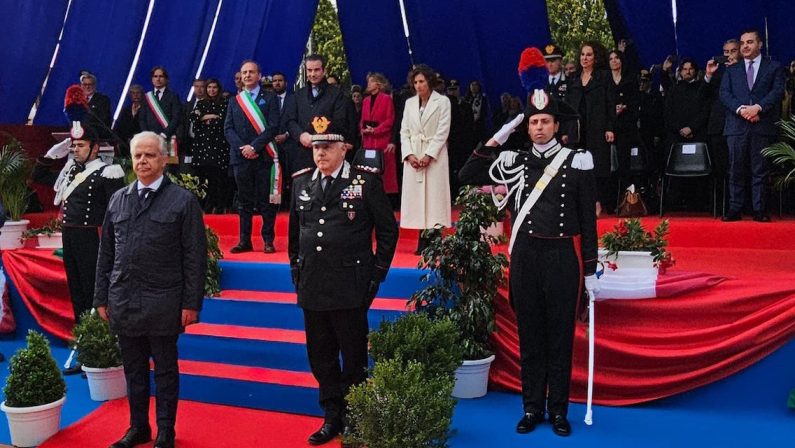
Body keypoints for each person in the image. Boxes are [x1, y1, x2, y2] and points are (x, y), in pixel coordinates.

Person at [458, 84, 598, 438]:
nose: (538, 127)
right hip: (526, 258)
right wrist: (499, 136)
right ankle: (532, 407)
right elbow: (467, 174)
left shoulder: (576, 161)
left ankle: (559, 410)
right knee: (531, 336)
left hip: (562, 257)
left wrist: (592, 269)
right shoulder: (515, 161)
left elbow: (587, 220)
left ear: (556, 125)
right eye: (533, 121)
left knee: (560, 338)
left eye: (545, 121)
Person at [288, 116, 398, 446]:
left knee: (352, 357)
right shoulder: (301, 184)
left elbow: (388, 232)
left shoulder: (364, 183)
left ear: (344, 149)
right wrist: (297, 271)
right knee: (320, 356)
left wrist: (376, 275)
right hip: (313, 285)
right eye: (316, 147)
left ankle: (354, 415)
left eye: (327, 147)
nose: (320, 153)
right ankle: (331, 415)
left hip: (351, 285)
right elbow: (295, 234)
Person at [95, 131, 207, 448]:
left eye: (150, 155)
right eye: (138, 156)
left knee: (166, 371)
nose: (143, 161)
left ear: (163, 159)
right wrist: (101, 297)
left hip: (164, 300)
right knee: (133, 370)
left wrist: (191, 303)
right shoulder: (119, 199)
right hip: (124, 298)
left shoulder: (183, 202)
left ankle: (166, 430)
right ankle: (138, 427)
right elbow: (106, 252)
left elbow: (194, 257)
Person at [47, 122, 125, 376]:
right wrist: (50, 156)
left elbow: (117, 212)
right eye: (74, 146)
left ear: (95, 147)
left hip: (92, 237)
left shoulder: (108, 172)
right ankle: (87, 347)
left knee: (95, 294)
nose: (76, 150)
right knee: (78, 293)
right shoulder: (70, 170)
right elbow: (40, 177)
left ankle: (104, 348)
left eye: (80, 145)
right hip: (70, 237)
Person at [720, 29, 786, 222]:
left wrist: (758, 108)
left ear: (760, 45)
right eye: (742, 43)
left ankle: (759, 209)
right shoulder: (731, 70)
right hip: (736, 126)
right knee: (735, 169)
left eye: (750, 42)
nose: (745, 46)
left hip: (761, 125)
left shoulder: (773, 67)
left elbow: (777, 91)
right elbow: (724, 94)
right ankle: (735, 209)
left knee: (760, 169)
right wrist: (742, 110)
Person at [224, 60, 281, 253]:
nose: (247, 75)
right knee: (244, 201)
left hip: (263, 156)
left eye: (251, 72)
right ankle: (244, 240)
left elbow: (273, 126)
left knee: (266, 201)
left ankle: (267, 240)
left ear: (259, 75)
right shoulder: (234, 100)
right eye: (244, 72)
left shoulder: (271, 98)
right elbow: (228, 128)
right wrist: (243, 148)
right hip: (241, 158)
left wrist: (255, 147)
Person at [399, 65, 452, 254]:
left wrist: (429, 154)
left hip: (434, 155)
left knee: (434, 197)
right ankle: (421, 241)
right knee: (418, 198)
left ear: (429, 81)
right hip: (414, 154)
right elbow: (404, 131)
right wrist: (409, 154)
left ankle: (436, 240)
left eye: (422, 81)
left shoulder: (443, 102)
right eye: (415, 82)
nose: (419, 85)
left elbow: (442, 131)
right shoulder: (409, 103)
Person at [565, 41, 615, 215]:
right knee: (577, 165)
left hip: (598, 127)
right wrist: (566, 131)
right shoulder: (574, 79)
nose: (584, 58)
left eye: (589, 55)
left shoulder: (603, 77)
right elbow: (568, 108)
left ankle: (598, 202)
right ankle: (579, 203)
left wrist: (610, 128)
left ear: (595, 58)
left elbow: (610, 104)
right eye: (582, 55)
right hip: (578, 130)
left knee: (598, 166)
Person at [283, 54, 350, 176]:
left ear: (324, 70)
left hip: (327, 154)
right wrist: (301, 135)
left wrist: (317, 138)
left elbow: (340, 122)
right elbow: (290, 120)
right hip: (302, 155)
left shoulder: (337, 95)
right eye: (309, 70)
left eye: (316, 70)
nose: (312, 74)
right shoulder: (298, 95)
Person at [191, 78, 230, 214]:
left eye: (214, 87)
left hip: (219, 144)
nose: (211, 90)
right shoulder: (201, 103)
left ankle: (220, 205)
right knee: (204, 177)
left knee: (219, 177)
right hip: (202, 145)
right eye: (209, 87)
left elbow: (223, 120)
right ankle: (206, 204)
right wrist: (209, 116)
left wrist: (205, 118)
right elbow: (194, 118)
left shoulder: (225, 103)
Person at [360, 73, 398, 197]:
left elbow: (389, 120)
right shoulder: (365, 101)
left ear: (378, 84)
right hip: (368, 142)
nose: (368, 84)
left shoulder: (386, 99)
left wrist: (376, 130)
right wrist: (363, 129)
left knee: (384, 172)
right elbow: (362, 120)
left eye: (371, 82)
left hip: (382, 141)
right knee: (368, 169)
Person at [608, 50, 641, 182]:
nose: (614, 61)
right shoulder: (605, 79)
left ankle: (626, 194)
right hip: (609, 125)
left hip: (626, 125)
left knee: (624, 161)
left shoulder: (630, 79)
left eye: (617, 58)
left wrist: (625, 106)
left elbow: (635, 101)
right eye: (611, 59)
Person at [138, 66, 182, 156]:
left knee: (167, 167)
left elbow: (176, 118)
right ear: (152, 79)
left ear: (166, 79)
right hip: (150, 140)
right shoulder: (147, 97)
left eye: (161, 76)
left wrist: (164, 135)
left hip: (167, 138)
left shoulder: (173, 96)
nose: (158, 79)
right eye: (155, 76)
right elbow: (142, 119)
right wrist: (148, 135)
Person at [80, 72, 112, 136]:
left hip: (97, 136)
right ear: (81, 85)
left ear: (94, 85)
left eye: (90, 84)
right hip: (80, 135)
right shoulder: (77, 100)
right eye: (85, 84)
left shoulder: (103, 100)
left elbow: (104, 120)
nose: (87, 87)